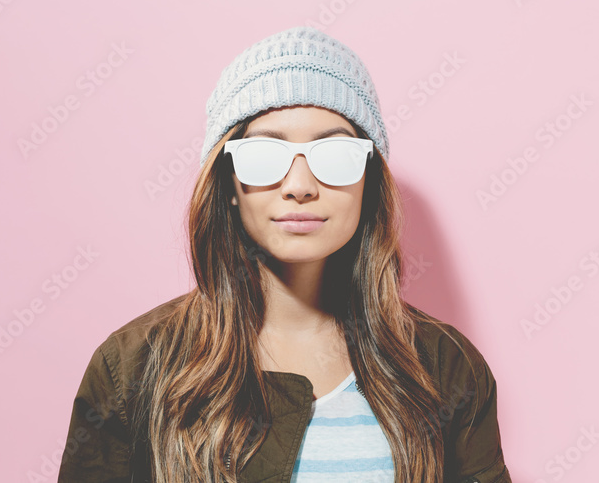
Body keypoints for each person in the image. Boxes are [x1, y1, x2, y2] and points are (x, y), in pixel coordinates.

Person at [57, 26, 510, 483]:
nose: (299, 186)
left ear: (368, 181)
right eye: (264, 153)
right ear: (229, 184)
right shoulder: (132, 369)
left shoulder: (445, 368)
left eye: (333, 153)